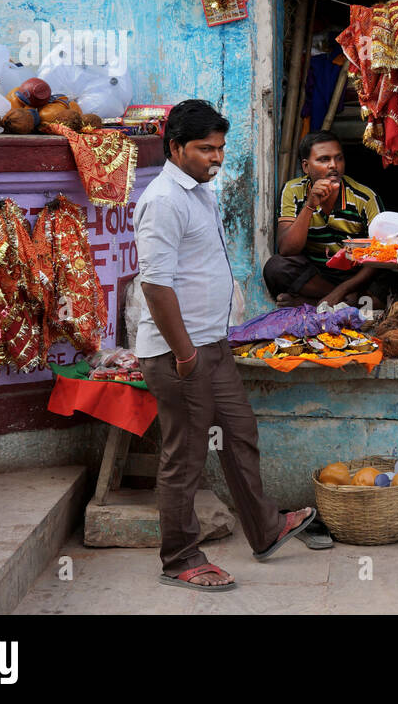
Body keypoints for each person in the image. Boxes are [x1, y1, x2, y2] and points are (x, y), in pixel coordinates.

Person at [134, 99, 314, 592]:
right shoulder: (163, 200)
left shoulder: (199, 193)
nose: (215, 158)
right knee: (185, 456)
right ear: (175, 148)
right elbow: (156, 284)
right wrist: (186, 354)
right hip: (179, 353)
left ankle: (265, 528)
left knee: (240, 433)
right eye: (203, 149)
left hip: (211, 344)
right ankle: (181, 557)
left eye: (220, 148)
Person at [264, 130, 390, 308]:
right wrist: (310, 205)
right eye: (324, 159)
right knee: (276, 267)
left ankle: (314, 302)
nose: (334, 165)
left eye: (338, 158)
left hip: (356, 276)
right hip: (318, 276)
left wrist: (342, 290)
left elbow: (382, 256)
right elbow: (287, 249)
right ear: (306, 167)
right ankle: (344, 301)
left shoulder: (365, 198)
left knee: (385, 286)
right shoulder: (292, 190)